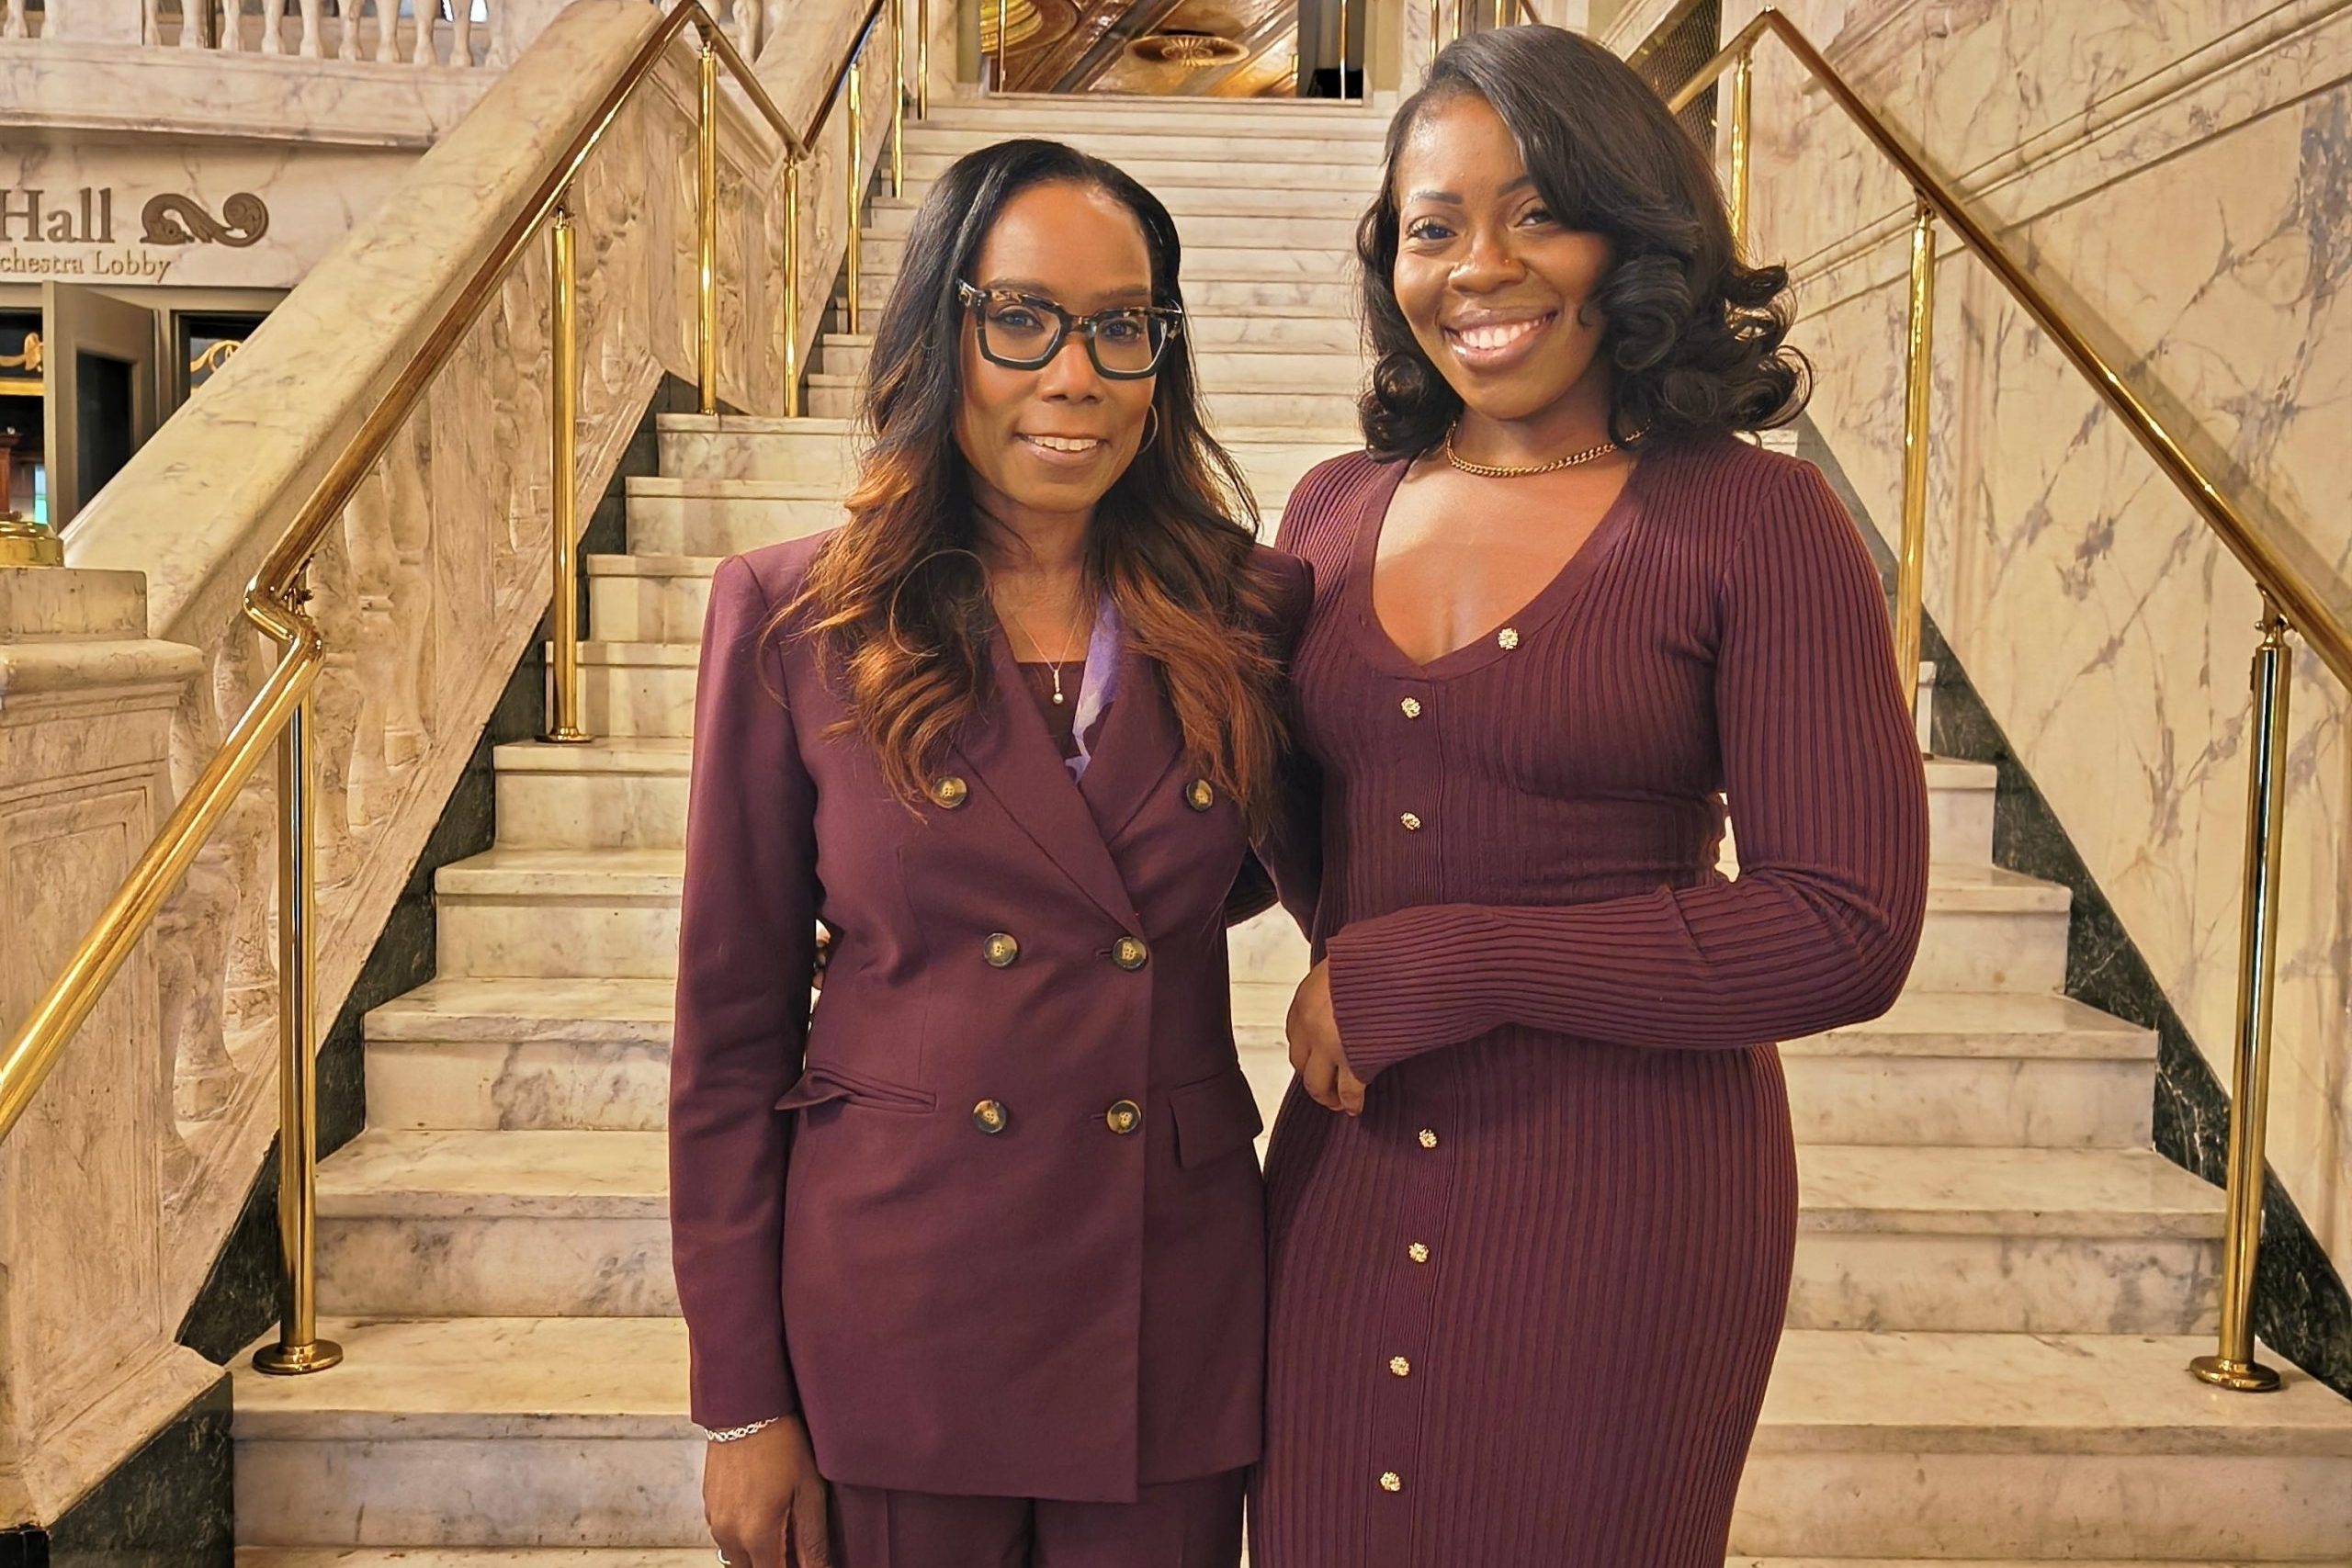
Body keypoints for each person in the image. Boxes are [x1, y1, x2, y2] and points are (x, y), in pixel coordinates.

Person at [1251, 27, 1930, 1568]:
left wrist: (1450, 961)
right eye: (1433, 226)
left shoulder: (1755, 520)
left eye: (1537, 210)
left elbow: (1846, 926)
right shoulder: (1332, 512)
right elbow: (1309, 837)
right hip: (1346, 1183)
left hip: (1626, 1210)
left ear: (1635, 229)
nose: (1478, 266)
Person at [669, 138, 1309, 1568]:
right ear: (939, 331)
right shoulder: (796, 620)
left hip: (1168, 1289)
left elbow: (1270, 870)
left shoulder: (1255, 605)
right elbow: (728, 1032)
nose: (1073, 373)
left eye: (1120, 326)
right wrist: (738, 1402)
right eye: (1018, 320)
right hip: (904, 1299)